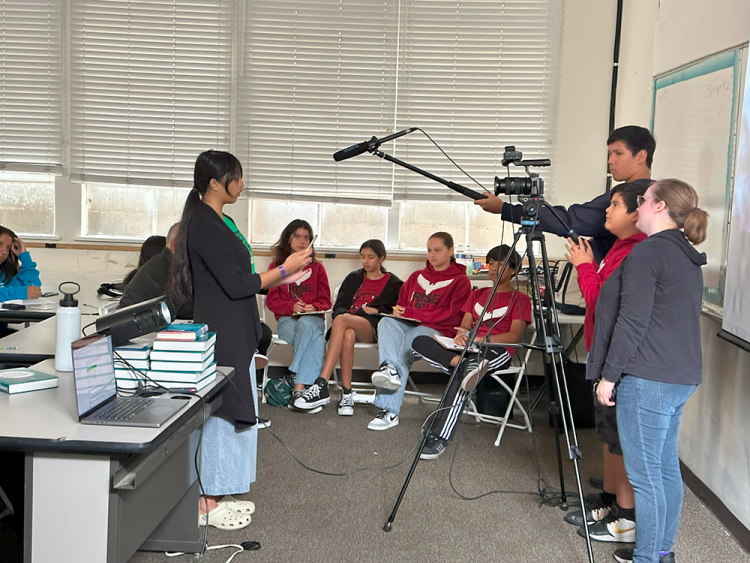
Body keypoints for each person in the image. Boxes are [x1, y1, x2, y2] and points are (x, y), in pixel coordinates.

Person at [166, 150, 312, 530]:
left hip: (239, 323)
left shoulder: (221, 220)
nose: (242, 183)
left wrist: (284, 275)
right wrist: (284, 268)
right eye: (237, 177)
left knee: (235, 406)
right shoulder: (202, 223)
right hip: (224, 325)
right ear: (215, 182)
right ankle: (205, 501)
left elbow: (241, 278)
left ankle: (221, 489)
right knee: (223, 411)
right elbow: (235, 283)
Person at [587, 179, 707, 563]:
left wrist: (609, 376)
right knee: (665, 471)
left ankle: (648, 559)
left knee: (646, 477)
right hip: (679, 376)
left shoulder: (649, 254)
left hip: (649, 377)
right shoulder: (684, 253)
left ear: (659, 207)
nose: (638, 206)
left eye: (643, 200)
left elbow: (632, 322)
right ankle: (660, 552)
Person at [563, 182, 651, 542]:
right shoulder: (618, 247)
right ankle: (613, 504)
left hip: (619, 360)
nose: (606, 211)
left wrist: (584, 266)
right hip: (602, 354)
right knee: (609, 437)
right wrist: (589, 265)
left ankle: (626, 520)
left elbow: (603, 302)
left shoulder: (638, 251)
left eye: (615, 204)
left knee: (622, 442)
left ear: (637, 212)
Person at [411, 244, 532, 459]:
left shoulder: (520, 299)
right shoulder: (478, 294)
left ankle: (439, 436)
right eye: (491, 263)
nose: (494, 268)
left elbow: (514, 337)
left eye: (501, 264)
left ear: (514, 269)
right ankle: (461, 363)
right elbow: (465, 325)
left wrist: (481, 339)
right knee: (420, 341)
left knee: (466, 372)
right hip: (468, 350)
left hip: (496, 351)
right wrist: (461, 336)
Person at [475, 125, 656, 263]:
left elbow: (568, 221)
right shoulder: (658, 192)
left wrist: (504, 209)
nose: (611, 161)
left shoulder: (629, 196)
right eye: (609, 154)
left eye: (619, 153)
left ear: (641, 156)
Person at [368, 232, 471, 431]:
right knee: (386, 322)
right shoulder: (416, 276)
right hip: (412, 326)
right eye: (429, 250)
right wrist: (398, 311)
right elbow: (403, 305)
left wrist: (413, 312)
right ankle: (389, 369)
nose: (432, 255)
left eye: (438, 250)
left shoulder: (461, 281)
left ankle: (390, 410)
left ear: (451, 251)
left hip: (438, 333)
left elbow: (451, 315)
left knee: (411, 341)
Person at [292, 239, 402, 415]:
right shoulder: (354, 278)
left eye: (371, 257)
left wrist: (376, 310)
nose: (366, 261)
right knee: (348, 333)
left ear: (381, 258)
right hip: (348, 325)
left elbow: (395, 311)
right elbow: (339, 306)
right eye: (362, 257)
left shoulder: (394, 284)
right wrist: (349, 315)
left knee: (342, 321)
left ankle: (321, 383)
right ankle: (347, 395)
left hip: (372, 328)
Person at [266, 220, 332, 411]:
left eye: (306, 237)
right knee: (317, 340)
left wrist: (314, 307)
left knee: (308, 324)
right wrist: (292, 306)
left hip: (313, 320)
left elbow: (326, 301)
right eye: (297, 236)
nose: (302, 241)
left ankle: (297, 385)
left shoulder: (317, 268)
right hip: (288, 321)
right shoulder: (277, 266)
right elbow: (272, 302)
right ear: (288, 238)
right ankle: (303, 391)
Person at [0, 226, 42, 337]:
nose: (4, 252)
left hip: (1, 331)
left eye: (8, 248)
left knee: (32, 340)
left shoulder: (3, 273)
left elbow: (32, 286)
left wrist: (24, 257)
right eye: (0, 245)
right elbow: (21, 291)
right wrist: (21, 292)